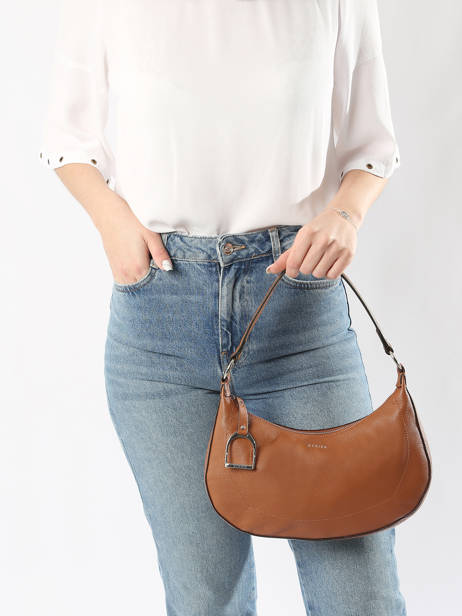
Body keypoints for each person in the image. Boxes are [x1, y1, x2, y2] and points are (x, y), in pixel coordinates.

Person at [39, 1, 407, 614]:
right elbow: (66, 141)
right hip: (160, 317)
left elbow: (373, 146)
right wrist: (112, 222)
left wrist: (346, 214)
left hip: (298, 312)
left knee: (357, 590)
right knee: (206, 597)